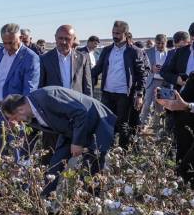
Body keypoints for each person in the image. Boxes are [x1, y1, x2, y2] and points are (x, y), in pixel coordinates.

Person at [2, 87, 115, 196]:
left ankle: (88, 209)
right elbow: (29, 140)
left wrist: (77, 142)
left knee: (90, 171)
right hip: (70, 131)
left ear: (21, 109)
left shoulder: (47, 96)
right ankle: (45, 204)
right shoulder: (31, 115)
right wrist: (21, 163)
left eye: (14, 118)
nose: (15, 122)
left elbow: (80, 112)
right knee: (54, 167)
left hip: (96, 125)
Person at [38, 25, 93, 164]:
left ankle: (70, 181)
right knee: (49, 151)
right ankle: (47, 180)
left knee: (75, 151)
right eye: (60, 38)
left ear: (73, 39)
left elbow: (87, 87)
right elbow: (40, 87)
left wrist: (90, 111)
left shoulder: (82, 58)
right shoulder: (45, 59)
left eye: (67, 39)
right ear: (55, 38)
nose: (63, 42)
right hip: (53, 113)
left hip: (76, 112)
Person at [91, 20, 147, 149]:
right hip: (107, 92)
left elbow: (141, 74)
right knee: (105, 122)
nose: (114, 35)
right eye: (113, 32)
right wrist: (83, 76)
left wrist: (140, 94)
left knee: (122, 124)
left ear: (126, 34)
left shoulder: (134, 51)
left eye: (118, 33)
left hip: (124, 94)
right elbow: (97, 69)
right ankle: (106, 150)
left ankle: (123, 152)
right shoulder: (107, 50)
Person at [0, 23, 40, 158]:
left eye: (11, 43)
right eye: (4, 43)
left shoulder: (30, 58)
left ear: (21, 38)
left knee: (16, 150)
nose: (8, 47)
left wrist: (18, 115)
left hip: (15, 112)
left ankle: (17, 177)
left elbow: (30, 88)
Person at [161, 24, 194, 168]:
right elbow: (165, 72)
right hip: (180, 104)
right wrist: (177, 80)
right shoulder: (180, 52)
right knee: (182, 144)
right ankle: (182, 178)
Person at [156, 88, 194, 188]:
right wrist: (171, 106)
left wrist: (187, 106)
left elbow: (185, 104)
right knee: (182, 163)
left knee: (185, 167)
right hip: (184, 122)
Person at [140, 34, 168, 130]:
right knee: (147, 103)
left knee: (160, 106)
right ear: (155, 42)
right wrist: (151, 69)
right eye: (158, 43)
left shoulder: (170, 53)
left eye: (162, 43)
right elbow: (142, 66)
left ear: (166, 43)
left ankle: (156, 125)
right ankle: (143, 124)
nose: (160, 45)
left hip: (164, 82)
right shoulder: (148, 52)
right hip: (151, 81)